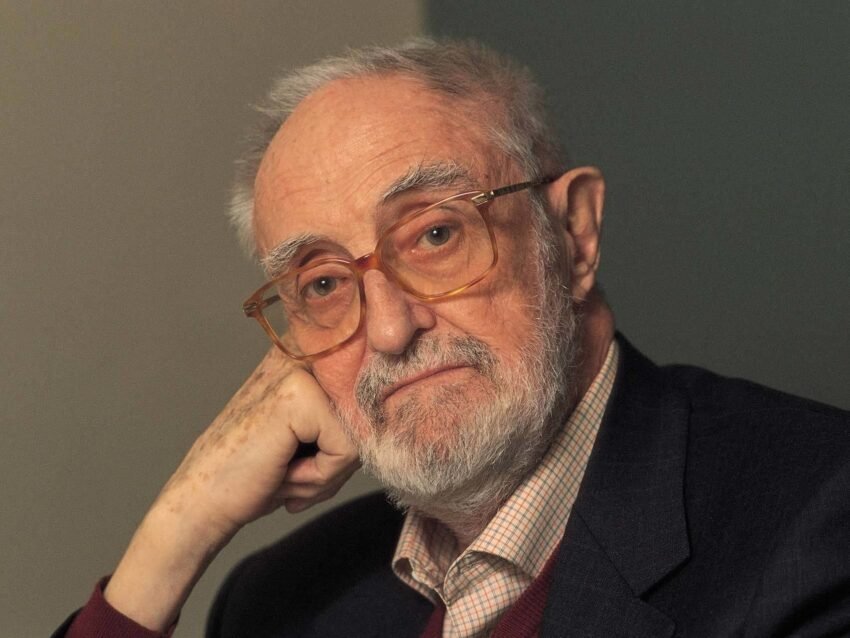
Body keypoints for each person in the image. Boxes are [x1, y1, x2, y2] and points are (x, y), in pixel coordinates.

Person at [55, 38, 850, 638]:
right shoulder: (279, 600)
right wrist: (178, 531)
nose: (389, 329)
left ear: (573, 234)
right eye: (323, 284)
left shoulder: (819, 521)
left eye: (435, 235)